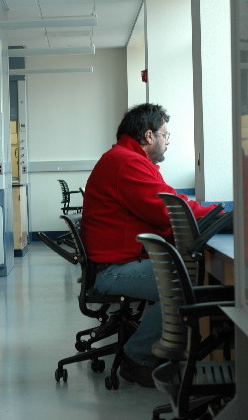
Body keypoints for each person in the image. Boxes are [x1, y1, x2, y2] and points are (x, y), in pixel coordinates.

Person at [81, 103, 218, 387]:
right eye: (165, 134)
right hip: (113, 270)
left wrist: (209, 214)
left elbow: (166, 203)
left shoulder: (129, 159)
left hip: (120, 261)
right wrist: (219, 214)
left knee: (185, 273)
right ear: (148, 135)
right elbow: (168, 209)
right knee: (183, 282)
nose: (168, 141)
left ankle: (164, 349)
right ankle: (138, 358)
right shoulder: (126, 162)